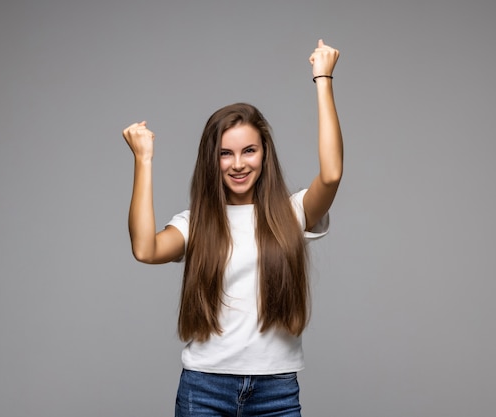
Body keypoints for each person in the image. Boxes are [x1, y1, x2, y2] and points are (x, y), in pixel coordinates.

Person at [122, 39, 342, 417]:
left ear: (265, 154)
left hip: (276, 389)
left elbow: (332, 174)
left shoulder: (291, 213)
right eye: (226, 153)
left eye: (249, 151)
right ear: (213, 159)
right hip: (204, 387)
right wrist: (144, 160)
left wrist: (323, 78)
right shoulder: (196, 224)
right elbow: (145, 249)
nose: (238, 164)